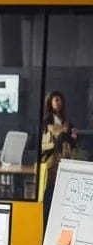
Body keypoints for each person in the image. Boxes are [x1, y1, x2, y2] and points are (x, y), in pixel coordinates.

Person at [41, 91, 79, 230]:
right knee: (50, 196)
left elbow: (72, 142)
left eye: (60, 100)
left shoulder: (67, 122)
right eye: (56, 100)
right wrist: (61, 135)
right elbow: (44, 145)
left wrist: (73, 137)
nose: (59, 103)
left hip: (65, 161)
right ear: (50, 102)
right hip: (52, 164)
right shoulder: (46, 122)